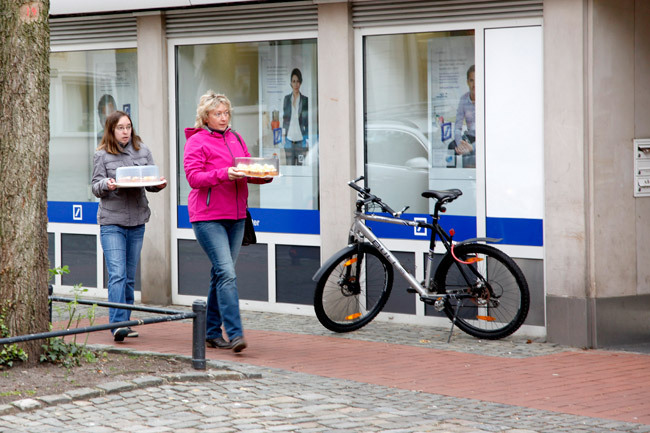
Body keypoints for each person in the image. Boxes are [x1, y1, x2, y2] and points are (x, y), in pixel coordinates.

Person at [183, 91, 272, 353]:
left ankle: (211, 332)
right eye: (217, 113)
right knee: (227, 274)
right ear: (205, 117)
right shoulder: (196, 141)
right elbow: (194, 178)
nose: (223, 118)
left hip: (236, 217)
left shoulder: (236, 138)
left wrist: (264, 175)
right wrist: (224, 173)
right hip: (208, 218)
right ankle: (235, 334)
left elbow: (245, 171)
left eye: (226, 113)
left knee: (220, 274)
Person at [91, 110, 167, 342]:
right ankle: (117, 325)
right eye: (120, 128)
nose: (125, 132)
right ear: (111, 130)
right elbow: (95, 186)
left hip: (136, 221)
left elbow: (150, 181)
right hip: (112, 222)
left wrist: (158, 185)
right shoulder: (102, 154)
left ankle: (126, 320)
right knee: (117, 274)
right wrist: (107, 184)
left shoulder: (142, 150)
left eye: (128, 127)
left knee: (129, 277)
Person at [450, 65, 476, 168]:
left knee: (472, 151)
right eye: (471, 80)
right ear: (467, 82)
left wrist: (472, 147)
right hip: (470, 137)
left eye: (477, 81)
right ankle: (450, 175)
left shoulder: (486, 98)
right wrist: (459, 144)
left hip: (483, 138)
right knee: (451, 147)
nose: (474, 85)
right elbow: (457, 127)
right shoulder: (463, 99)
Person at [282, 68, 308, 165]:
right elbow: (285, 119)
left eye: (297, 81)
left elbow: (307, 122)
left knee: (301, 168)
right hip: (289, 141)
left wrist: (307, 140)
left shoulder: (305, 100)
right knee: (289, 167)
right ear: (291, 83)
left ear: (300, 83)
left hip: (301, 141)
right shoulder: (286, 99)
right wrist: (283, 138)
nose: (296, 84)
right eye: (293, 81)